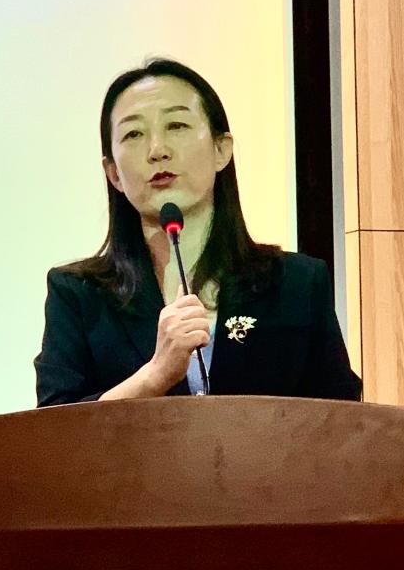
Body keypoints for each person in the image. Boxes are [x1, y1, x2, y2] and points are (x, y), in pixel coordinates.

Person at [34, 58, 362, 405]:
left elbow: (341, 421)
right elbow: (56, 429)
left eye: (176, 125)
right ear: (113, 173)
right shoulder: (78, 295)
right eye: (133, 134)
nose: (157, 150)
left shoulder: (297, 284)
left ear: (221, 150)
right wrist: (154, 376)